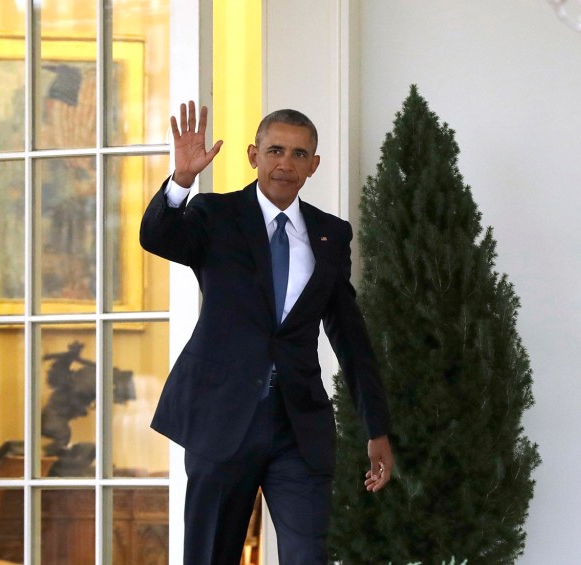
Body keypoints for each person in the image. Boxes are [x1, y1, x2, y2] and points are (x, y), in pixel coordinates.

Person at [140, 101, 394, 565]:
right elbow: (159, 238)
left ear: (313, 165)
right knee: (211, 554)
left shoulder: (331, 235)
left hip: (298, 426)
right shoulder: (215, 216)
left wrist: (376, 426)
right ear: (253, 155)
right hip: (222, 418)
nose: (286, 163)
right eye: (275, 150)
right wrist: (181, 182)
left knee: (307, 557)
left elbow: (350, 338)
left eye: (299, 154)